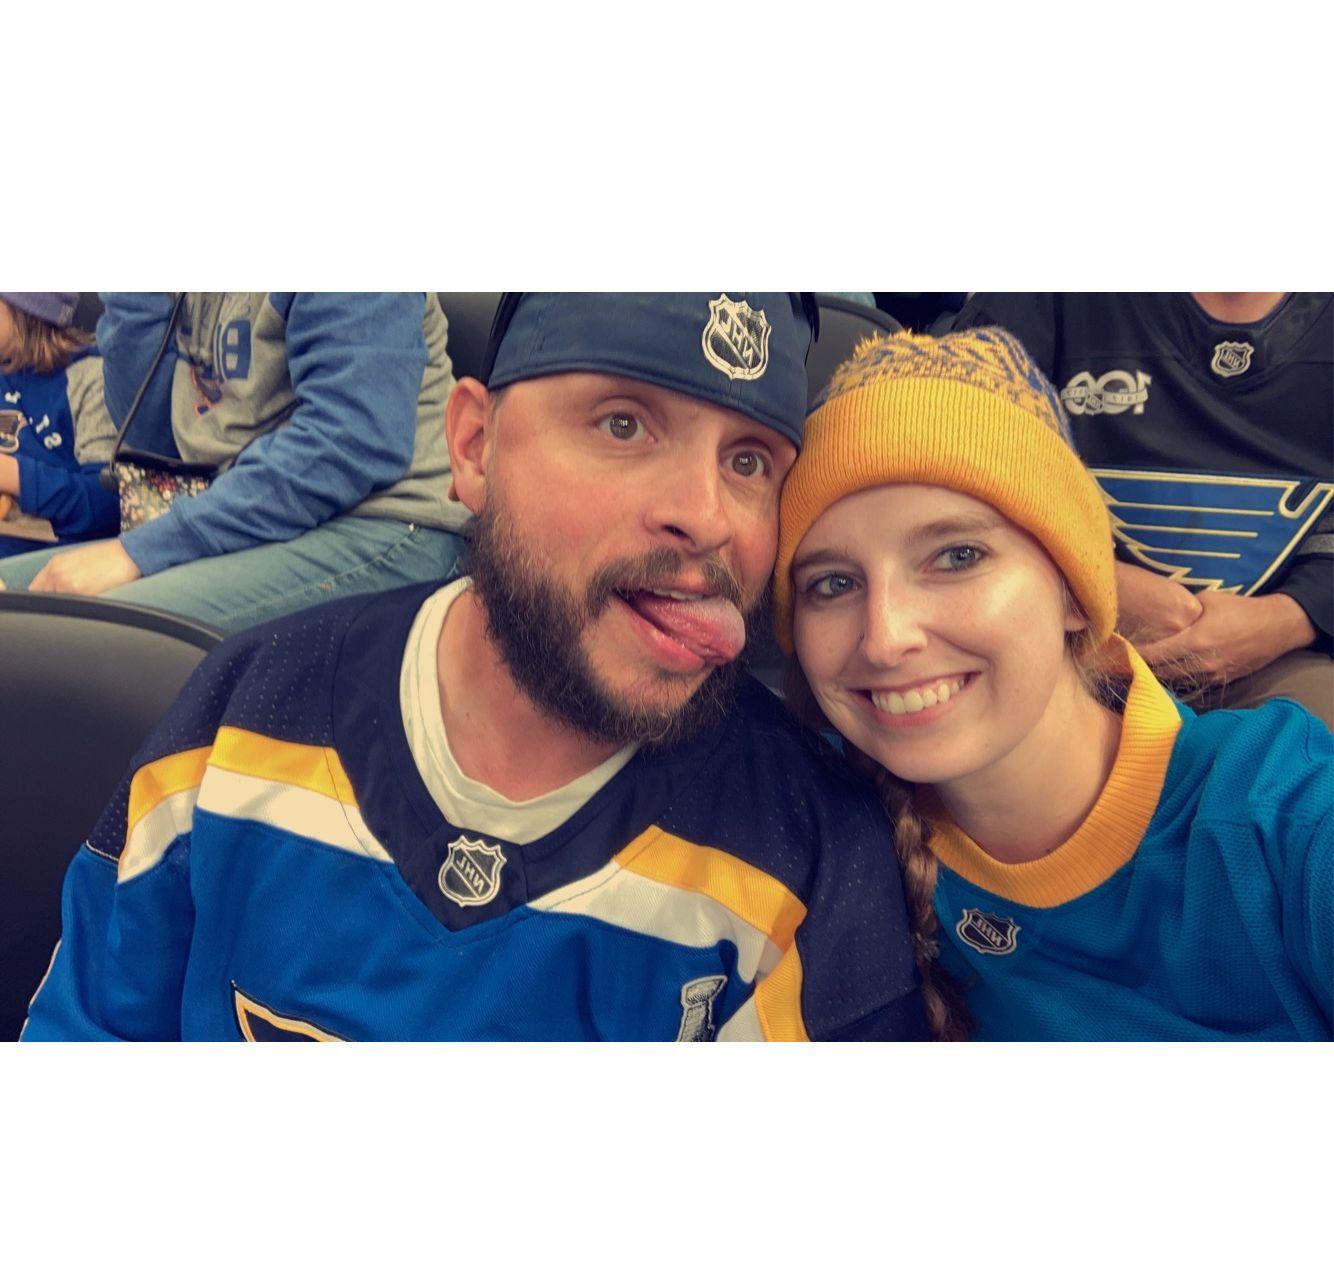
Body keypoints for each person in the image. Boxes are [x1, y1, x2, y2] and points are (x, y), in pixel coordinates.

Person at [22, 292, 927, 1042]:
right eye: (623, 424)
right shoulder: (242, 712)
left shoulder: (807, 857)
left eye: (749, 462)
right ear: (473, 446)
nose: (707, 515)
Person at [773, 328, 1331, 1041]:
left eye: (957, 555)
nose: (885, 638)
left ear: (1073, 590)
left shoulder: (1284, 816)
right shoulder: (807, 818)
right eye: (833, 583)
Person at [952, 293, 1333, 725]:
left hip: (1286, 656)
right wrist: (1092, 582)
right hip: (1064, 636)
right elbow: (950, 464)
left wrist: (1291, 618)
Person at [0, 293, 469, 634]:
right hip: (245, 524)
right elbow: (151, 439)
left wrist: (137, 553)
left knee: (86, 635)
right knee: (18, 606)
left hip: (384, 523)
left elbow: (348, 445)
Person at [0, 292, 119, 557]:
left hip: (53, 554)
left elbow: (108, 506)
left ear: (26, 310)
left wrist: (14, 476)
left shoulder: (91, 379)